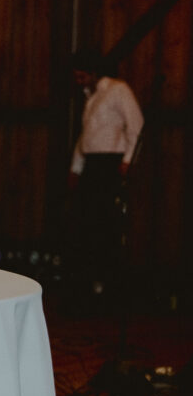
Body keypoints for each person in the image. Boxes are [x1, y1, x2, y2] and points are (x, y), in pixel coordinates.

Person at [68, 49, 143, 297]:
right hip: (92, 164)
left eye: (81, 76)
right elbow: (86, 136)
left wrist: (128, 160)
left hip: (110, 164)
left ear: (92, 72)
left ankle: (110, 286)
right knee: (86, 226)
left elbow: (136, 124)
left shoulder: (117, 90)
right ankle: (89, 285)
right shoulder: (90, 98)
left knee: (106, 225)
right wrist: (76, 168)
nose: (78, 82)